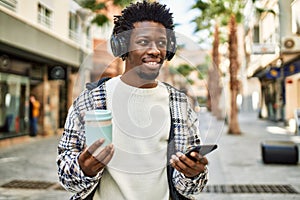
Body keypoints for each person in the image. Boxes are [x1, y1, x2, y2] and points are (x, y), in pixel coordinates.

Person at [57, 1, 209, 200]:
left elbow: (190, 188)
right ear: (122, 47)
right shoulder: (89, 101)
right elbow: (65, 173)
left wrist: (193, 174)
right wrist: (84, 169)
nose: (155, 50)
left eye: (162, 43)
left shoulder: (180, 104)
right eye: (143, 42)